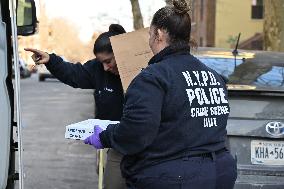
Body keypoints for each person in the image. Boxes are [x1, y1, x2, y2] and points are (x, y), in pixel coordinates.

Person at [84, 0, 237, 188]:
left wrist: (104, 137)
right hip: (219, 174)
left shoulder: (152, 78)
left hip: (172, 178)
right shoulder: (214, 78)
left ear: (158, 34)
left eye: (149, 34)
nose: (148, 40)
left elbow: (135, 133)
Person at [25, 24, 127, 189]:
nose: (105, 68)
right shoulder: (98, 69)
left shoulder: (143, 70)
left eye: (108, 61)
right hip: (111, 143)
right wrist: (51, 60)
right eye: (101, 63)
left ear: (121, 53)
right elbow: (75, 73)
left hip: (139, 141)